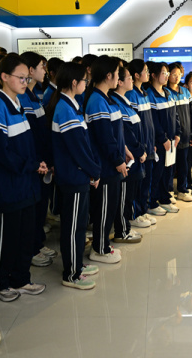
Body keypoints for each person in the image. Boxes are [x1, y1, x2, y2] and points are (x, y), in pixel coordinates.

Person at [0, 53, 47, 302]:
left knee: (24, 235)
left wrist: (36, 164)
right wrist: (30, 165)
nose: (25, 82)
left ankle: (21, 279)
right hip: (9, 187)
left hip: (25, 184)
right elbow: (0, 151)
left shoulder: (18, 103)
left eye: (26, 78)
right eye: (20, 77)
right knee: (7, 238)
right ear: (4, 77)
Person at [49, 62, 101, 289]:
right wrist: (94, 171)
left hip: (78, 176)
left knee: (79, 226)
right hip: (73, 177)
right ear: (73, 83)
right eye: (84, 81)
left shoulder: (71, 105)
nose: (86, 84)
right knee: (73, 228)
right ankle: (71, 273)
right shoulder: (64, 109)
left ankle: (77, 265)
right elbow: (78, 149)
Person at [84, 55, 126, 264]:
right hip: (106, 167)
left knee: (110, 207)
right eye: (117, 73)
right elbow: (104, 138)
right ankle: (99, 249)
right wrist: (117, 160)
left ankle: (104, 245)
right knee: (104, 208)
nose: (119, 77)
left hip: (112, 163)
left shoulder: (106, 98)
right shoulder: (96, 101)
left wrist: (124, 152)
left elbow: (115, 134)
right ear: (108, 75)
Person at [19, 51, 57, 268]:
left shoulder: (34, 95)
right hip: (34, 164)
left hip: (42, 161)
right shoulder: (22, 98)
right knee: (33, 209)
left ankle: (38, 243)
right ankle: (32, 249)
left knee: (41, 205)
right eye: (42, 67)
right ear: (30, 70)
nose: (45, 71)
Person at [110, 66, 147, 243]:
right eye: (129, 77)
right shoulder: (116, 102)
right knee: (123, 197)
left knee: (129, 195)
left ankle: (125, 227)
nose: (132, 80)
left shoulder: (124, 101)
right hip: (129, 157)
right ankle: (122, 231)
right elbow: (126, 133)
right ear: (120, 82)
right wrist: (139, 151)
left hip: (135, 155)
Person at [146, 62, 181, 215]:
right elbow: (153, 121)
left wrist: (178, 133)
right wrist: (163, 139)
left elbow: (176, 115)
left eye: (167, 73)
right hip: (160, 142)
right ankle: (152, 202)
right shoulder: (149, 94)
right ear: (153, 75)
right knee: (157, 173)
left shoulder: (168, 92)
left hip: (171, 141)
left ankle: (164, 199)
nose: (167, 76)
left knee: (168, 172)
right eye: (163, 73)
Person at [126, 59, 156, 227]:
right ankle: (135, 214)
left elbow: (149, 123)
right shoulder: (131, 95)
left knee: (146, 182)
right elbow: (133, 127)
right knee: (137, 184)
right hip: (139, 148)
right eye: (145, 71)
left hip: (148, 146)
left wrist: (152, 144)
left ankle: (143, 211)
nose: (148, 73)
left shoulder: (144, 93)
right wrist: (140, 148)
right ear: (136, 75)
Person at [167, 62, 192, 203]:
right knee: (169, 165)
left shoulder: (185, 92)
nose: (177, 77)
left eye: (179, 74)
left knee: (183, 165)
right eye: (174, 74)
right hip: (170, 136)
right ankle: (169, 191)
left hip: (185, 135)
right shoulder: (165, 92)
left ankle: (182, 190)